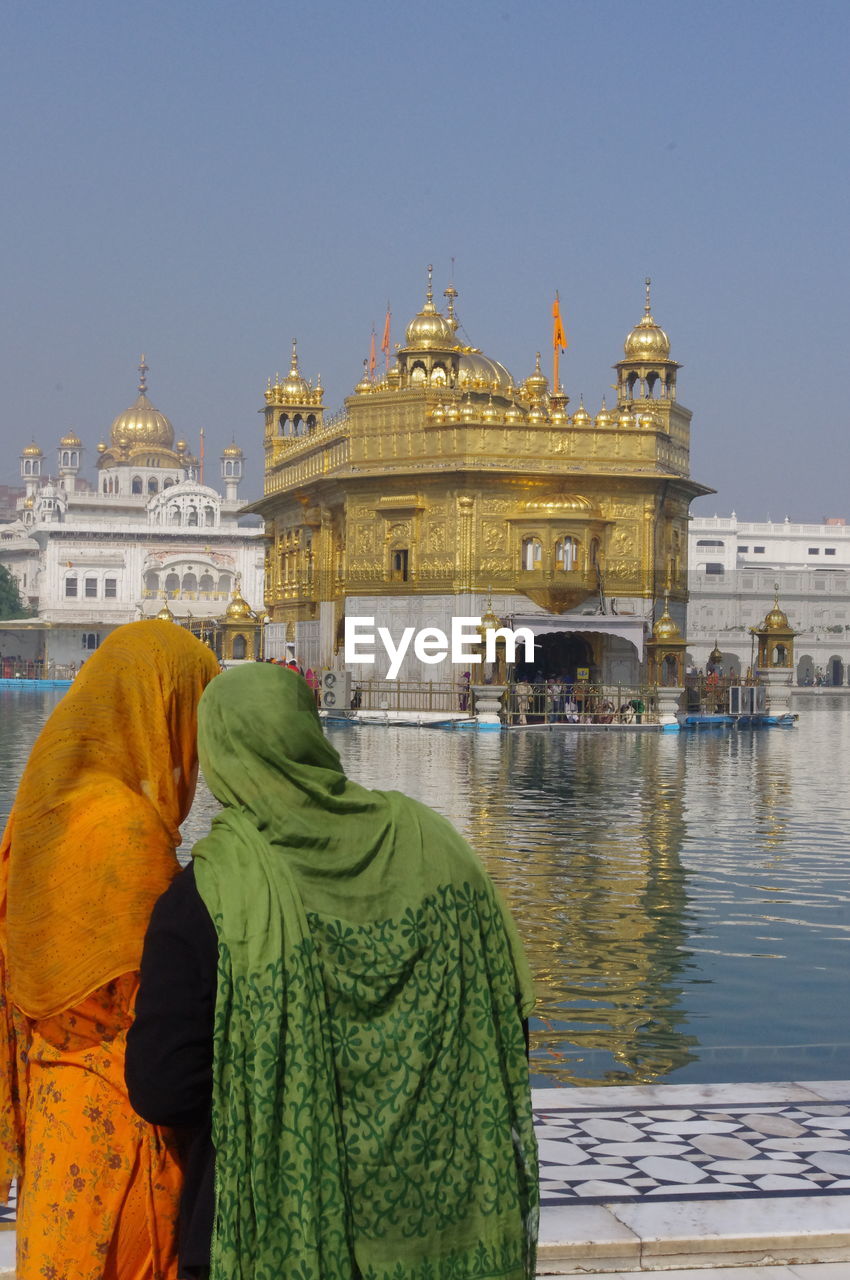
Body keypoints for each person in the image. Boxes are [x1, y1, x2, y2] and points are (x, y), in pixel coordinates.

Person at [126, 664, 538, 1280]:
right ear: (309, 735)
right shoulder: (436, 847)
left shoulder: (211, 896)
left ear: (218, 754)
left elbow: (163, 1087)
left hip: (266, 1231)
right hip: (446, 1229)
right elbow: (506, 1026)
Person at [0, 621, 219, 1280]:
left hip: (54, 1110)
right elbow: (157, 1006)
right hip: (121, 1132)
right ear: (159, 709)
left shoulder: (43, 813)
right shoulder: (124, 833)